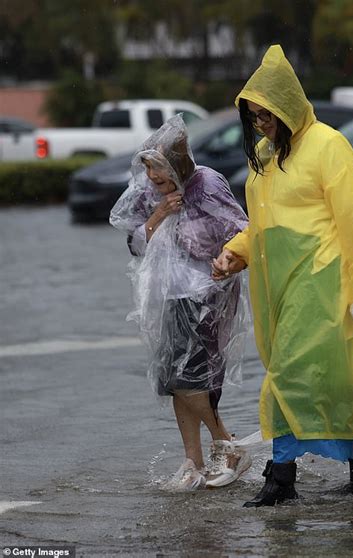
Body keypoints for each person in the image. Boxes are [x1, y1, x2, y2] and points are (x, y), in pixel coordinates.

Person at [212, 45, 353, 507]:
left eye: (267, 115)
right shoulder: (268, 156)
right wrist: (238, 252)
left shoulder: (328, 145)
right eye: (252, 117)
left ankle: (281, 479)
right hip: (279, 286)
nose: (260, 124)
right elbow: (267, 223)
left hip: (322, 279)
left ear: (288, 108)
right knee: (333, 380)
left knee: (289, 374)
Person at [110, 115, 251, 491]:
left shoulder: (206, 185)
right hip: (168, 295)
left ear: (178, 165)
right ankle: (193, 461)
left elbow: (241, 233)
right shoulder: (152, 196)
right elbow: (135, 244)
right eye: (151, 174)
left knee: (194, 380)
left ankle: (230, 446)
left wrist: (227, 262)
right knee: (174, 381)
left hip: (204, 295)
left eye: (160, 174)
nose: (155, 182)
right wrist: (158, 215)